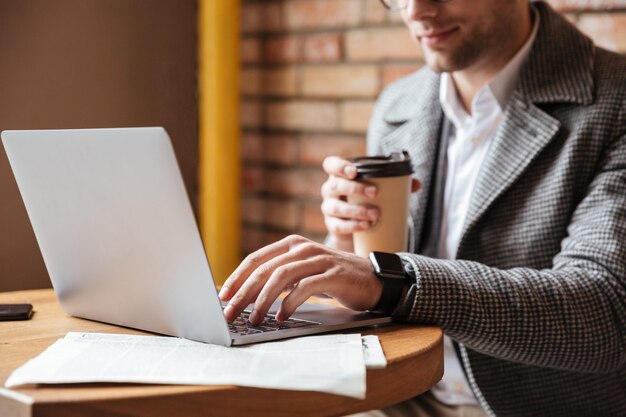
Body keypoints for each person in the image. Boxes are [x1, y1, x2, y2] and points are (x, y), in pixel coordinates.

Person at [219, 0, 626, 415]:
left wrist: (389, 280)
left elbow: (606, 314)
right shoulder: (399, 105)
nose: (415, 11)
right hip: (398, 397)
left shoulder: (617, 101)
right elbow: (373, 294)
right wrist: (346, 241)